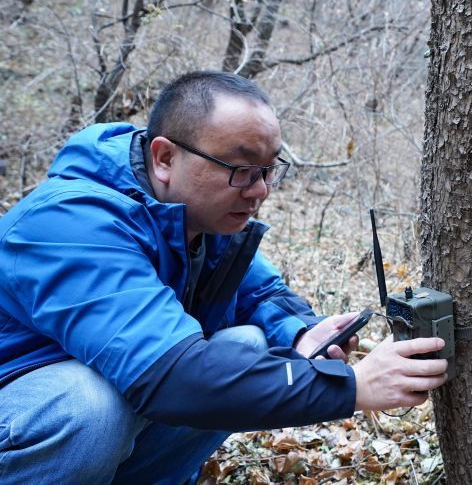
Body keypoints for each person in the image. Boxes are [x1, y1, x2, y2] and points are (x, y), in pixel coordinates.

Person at [0, 71, 448, 483]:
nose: (260, 191)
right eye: (241, 170)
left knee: (246, 345)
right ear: (164, 158)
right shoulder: (69, 224)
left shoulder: (192, 216)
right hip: (24, 407)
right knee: (88, 405)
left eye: (268, 170)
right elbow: (173, 377)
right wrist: (352, 388)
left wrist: (300, 335)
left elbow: (261, 294)